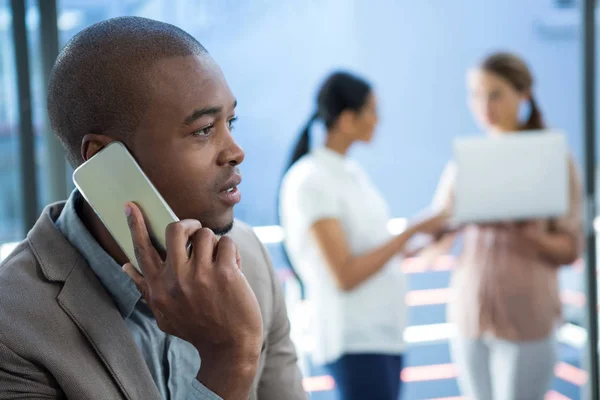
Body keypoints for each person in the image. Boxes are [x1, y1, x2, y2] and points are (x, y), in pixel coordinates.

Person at [0, 17, 306, 400]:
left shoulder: (249, 260)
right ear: (103, 159)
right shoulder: (11, 326)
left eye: (231, 121)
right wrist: (230, 360)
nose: (235, 151)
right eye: (203, 130)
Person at [279, 71, 448, 400]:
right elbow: (345, 274)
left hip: (384, 333)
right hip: (354, 337)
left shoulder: (351, 173)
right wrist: (411, 229)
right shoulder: (312, 178)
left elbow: (374, 250)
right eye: (371, 110)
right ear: (346, 119)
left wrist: (425, 238)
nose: (377, 120)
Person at [426, 52, 583, 400]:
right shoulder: (465, 163)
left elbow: (571, 248)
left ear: (523, 94)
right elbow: (437, 229)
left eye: (495, 93)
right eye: (476, 94)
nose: (484, 104)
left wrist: (528, 235)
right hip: (470, 314)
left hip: (527, 316)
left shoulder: (554, 158)